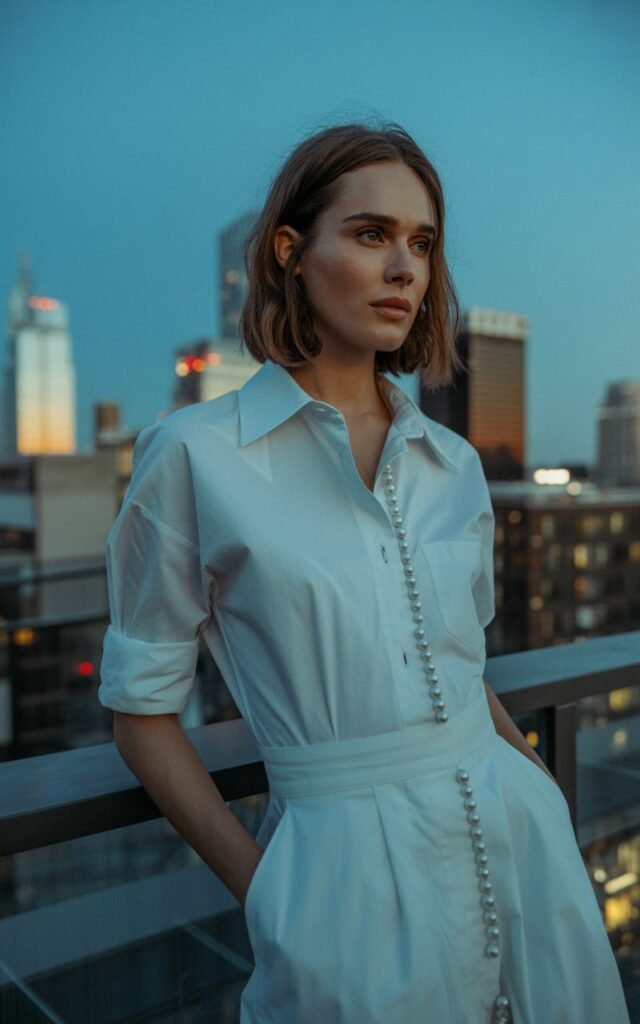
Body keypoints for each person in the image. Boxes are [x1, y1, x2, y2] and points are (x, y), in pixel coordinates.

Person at [98, 122, 630, 1024]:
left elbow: (461, 670)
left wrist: (534, 780)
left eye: (422, 244)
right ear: (291, 251)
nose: (405, 270)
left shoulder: (453, 464)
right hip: (340, 887)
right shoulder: (193, 454)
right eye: (372, 233)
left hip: (523, 849)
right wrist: (266, 891)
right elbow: (140, 713)